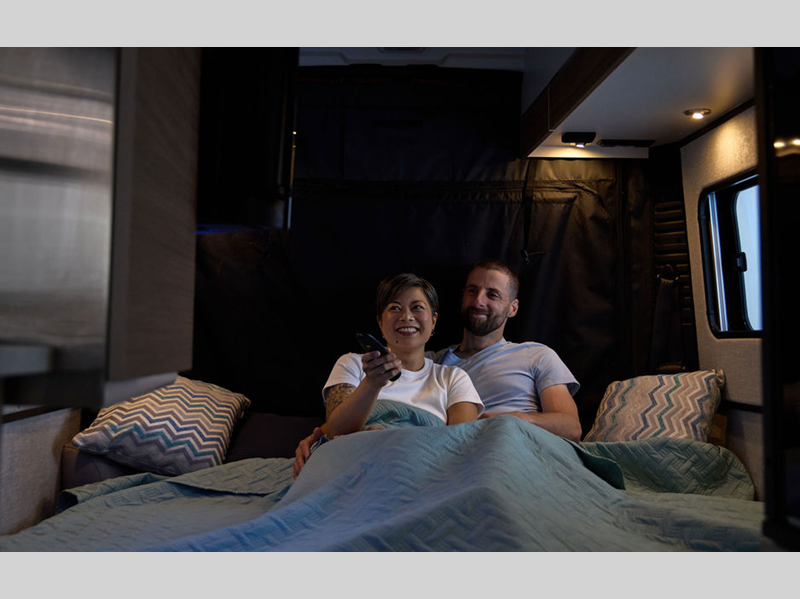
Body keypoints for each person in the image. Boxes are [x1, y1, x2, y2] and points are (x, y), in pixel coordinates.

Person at [292, 273, 483, 478]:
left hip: (420, 470)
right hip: (355, 462)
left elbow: (460, 446)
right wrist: (372, 384)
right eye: (394, 308)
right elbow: (335, 430)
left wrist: (393, 441)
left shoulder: (454, 378)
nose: (406, 316)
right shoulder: (352, 364)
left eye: (417, 307)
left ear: (434, 321)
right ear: (380, 322)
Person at [433, 258, 582, 442]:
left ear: (513, 308)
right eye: (472, 291)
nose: (478, 301)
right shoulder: (435, 362)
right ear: (463, 297)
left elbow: (571, 428)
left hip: (515, 447)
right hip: (451, 450)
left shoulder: (537, 355)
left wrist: (507, 420)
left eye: (492, 295)